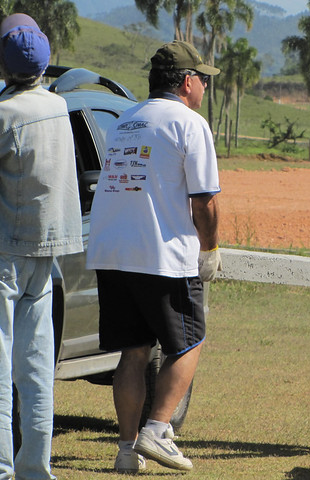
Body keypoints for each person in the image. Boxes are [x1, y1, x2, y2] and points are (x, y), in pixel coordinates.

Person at [86, 40, 222, 473]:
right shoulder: (190, 123)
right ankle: (157, 429)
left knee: (133, 351)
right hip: (161, 253)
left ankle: (127, 450)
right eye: (203, 78)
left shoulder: (126, 119)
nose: (204, 86)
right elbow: (205, 203)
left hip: (111, 250)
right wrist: (211, 248)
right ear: (187, 83)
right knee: (190, 342)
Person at [0, 13, 83, 479]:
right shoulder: (57, 107)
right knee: (34, 369)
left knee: (1, 364)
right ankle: (35, 467)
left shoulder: (5, 113)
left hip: (5, 251)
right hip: (46, 252)